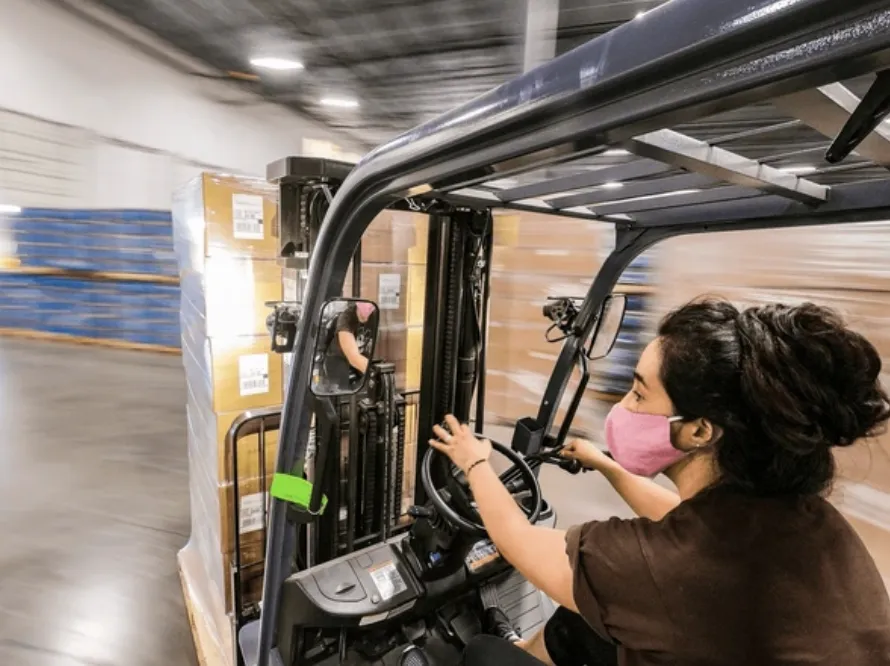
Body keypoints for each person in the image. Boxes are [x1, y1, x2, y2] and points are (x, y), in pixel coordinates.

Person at [429, 298, 890, 666]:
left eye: (638, 392)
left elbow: (519, 541)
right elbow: (685, 526)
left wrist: (475, 463)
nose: (624, 407)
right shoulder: (803, 516)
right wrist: (607, 465)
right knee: (585, 622)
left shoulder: (658, 569)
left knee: (484, 654)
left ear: (699, 430)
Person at [320, 300, 376, 389]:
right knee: (343, 392)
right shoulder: (346, 317)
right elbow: (354, 358)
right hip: (337, 358)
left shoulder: (373, 314)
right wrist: (376, 374)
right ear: (358, 303)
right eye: (365, 303)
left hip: (361, 355)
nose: (369, 307)